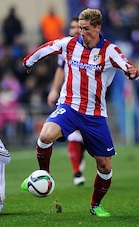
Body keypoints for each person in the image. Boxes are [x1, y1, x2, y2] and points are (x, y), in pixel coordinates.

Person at [21, 8, 139, 217]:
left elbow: (126, 64)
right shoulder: (70, 44)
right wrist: (29, 61)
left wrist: (131, 71)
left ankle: (95, 205)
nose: (81, 33)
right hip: (69, 106)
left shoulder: (109, 50)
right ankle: (44, 176)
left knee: (104, 166)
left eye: (86, 29)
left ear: (97, 28)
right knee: (45, 135)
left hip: (95, 114)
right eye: (80, 28)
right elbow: (48, 47)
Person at [47, 16, 86, 186]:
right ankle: (76, 172)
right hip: (70, 98)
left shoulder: (93, 47)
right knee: (74, 134)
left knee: (85, 135)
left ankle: (81, 155)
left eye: (78, 27)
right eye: (72, 27)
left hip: (90, 99)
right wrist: (54, 89)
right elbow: (60, 69)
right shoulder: (66, 48)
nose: (75, 30)